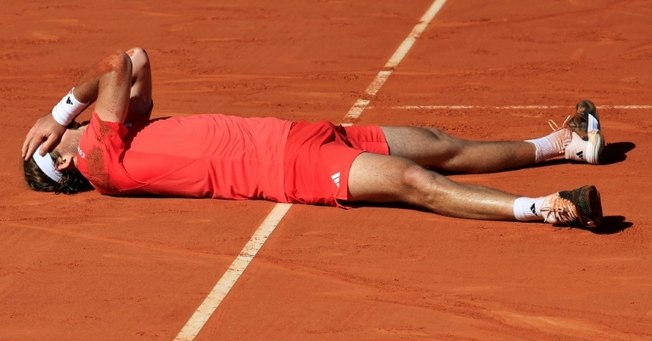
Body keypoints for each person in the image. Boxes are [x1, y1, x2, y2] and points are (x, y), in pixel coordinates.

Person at [22, 47, 604, 228]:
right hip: (287, 170)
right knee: (414, 181)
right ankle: (546, 210)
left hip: (302, 136)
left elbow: (139, 60)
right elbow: (116, 67)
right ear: (63, 162)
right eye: (55, 142)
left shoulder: (121, 134)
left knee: (439, 141)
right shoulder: (100, 158)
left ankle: (564, 145)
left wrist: (73, 114)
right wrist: (59, 111)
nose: (63, 133)